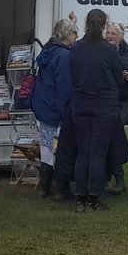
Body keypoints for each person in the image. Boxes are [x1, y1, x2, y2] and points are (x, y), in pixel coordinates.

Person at [68, 8, 122, 212]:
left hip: (81, 103)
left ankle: (80, 199)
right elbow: (118, 78)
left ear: (86, 23)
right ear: (103, 25)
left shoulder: (76, 48)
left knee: (82, 152)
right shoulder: (109, 50)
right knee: (98, 154)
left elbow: (72, 76)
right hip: (105, 105)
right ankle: (94, 198)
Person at [29, 18, 78, 197]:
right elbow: (64, 87)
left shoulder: (48, 51)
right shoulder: (64, 56)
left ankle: (44, 186)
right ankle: (60, 187)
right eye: (74, 33)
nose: (76, 36)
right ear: (67, 35)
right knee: (60, 147)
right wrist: (64, 111)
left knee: (46, 147)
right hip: (56, 108)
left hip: (42, 105)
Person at [103, 21, 128, 194]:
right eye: (108, 33)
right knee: (107, 138)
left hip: (123, 101)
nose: (110, 36)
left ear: (122, 35)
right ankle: (109, 178)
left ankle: (116, 178)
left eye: (114, 33)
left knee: (114, 137)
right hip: (105, 100)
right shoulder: (101, 50)